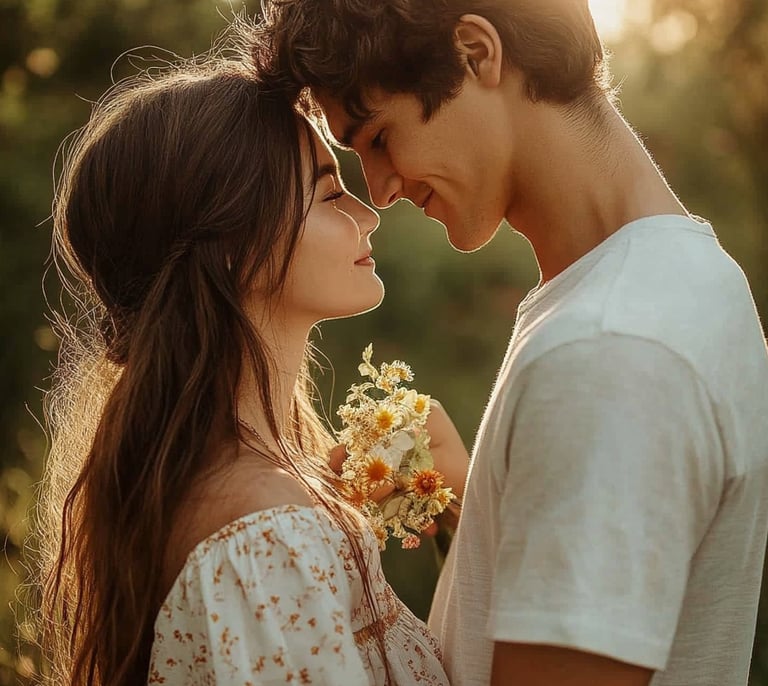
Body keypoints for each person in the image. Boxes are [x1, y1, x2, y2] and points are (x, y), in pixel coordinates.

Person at [252, 1, 768, 685]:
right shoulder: (685, 281)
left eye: (377, 138)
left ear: (476, 54)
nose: (379, 191)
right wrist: (477, 501)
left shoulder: (609, 351)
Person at [36, 45, 464, 686]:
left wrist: (458, 503)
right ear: (235, 245)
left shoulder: (277, 486)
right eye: (328, 194)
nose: (368, 214)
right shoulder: (261, 536)